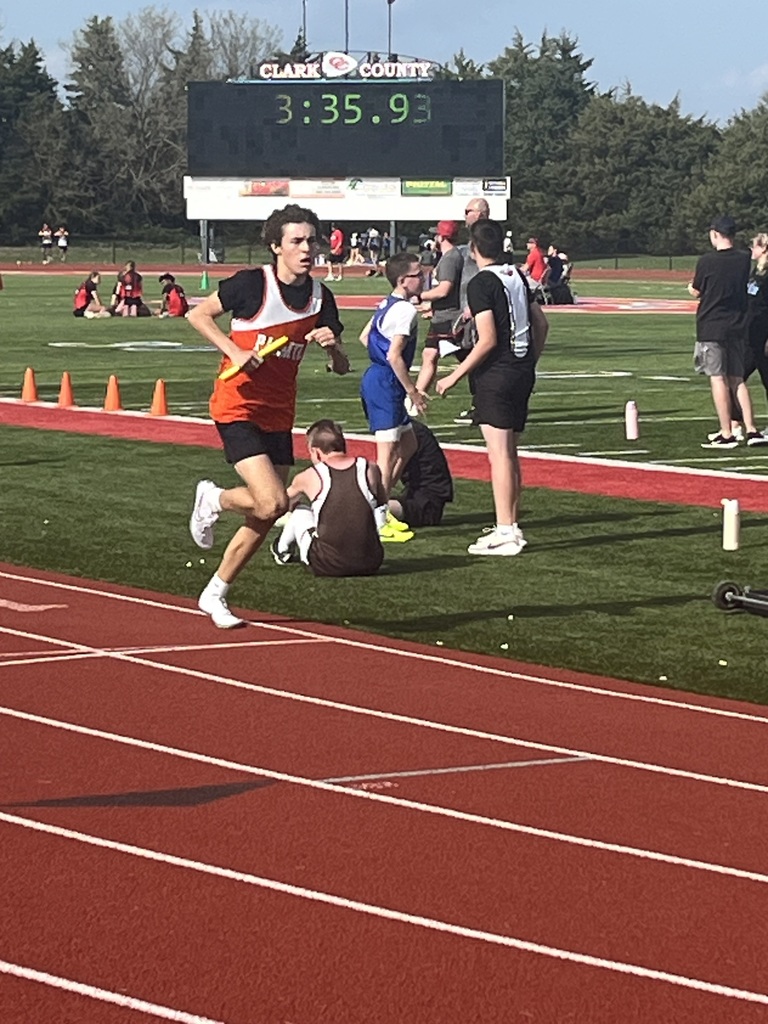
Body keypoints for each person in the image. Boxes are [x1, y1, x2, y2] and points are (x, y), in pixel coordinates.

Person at [187, 203, 350, 628]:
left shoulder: (321, 298)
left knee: (269, 512)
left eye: (311, 240)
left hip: (279, 413)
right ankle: (215, 498)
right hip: (236, 404)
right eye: (297, 241)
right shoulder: (250, 285)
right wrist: (235, 351)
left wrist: (332, 347)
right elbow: (197, 314)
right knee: (273, 500)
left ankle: (215, 592)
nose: (307, 249)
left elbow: (341, 367)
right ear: (276, 246)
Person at [436, 218, 549, 555]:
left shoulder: (482, 282)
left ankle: (506, 531)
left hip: (496, 375)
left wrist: (453, 376)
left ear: (473, 249)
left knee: (499, 456)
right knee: (510, 454)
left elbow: (486, 341)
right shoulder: (517, 276)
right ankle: (509, 525)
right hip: (520, 371)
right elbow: (541, 324)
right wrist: (528, 361)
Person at [359, 251, 429, 533]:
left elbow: (365, 337)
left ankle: (381, 502)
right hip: (386, 382)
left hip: (380, 378)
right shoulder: (405, 310)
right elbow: (395, 356)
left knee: (408, 444)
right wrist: (412, 390)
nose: (423, 278)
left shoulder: (388, 303)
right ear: (403, 280)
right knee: (386, 455)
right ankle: (377, 517)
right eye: (418, 274)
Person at [689, 215, 767, 448]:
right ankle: (751, 429)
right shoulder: (744, 259)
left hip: (712, 325)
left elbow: (697, 289)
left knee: (717, 378)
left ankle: (727, 432)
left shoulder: (707, 261)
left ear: (714, 234)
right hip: (737, 325)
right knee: (737, 379)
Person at [270, 419, 386, 576]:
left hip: (327, 564)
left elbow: (281, 504)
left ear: (316, 451)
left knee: (301, 512)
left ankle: (281, 549)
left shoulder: (309, 476)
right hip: (372, 562)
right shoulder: (370, 468)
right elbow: (381, 502)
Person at [414, 220, 464, 396]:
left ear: (441, 237)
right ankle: (417, 397)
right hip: (444, 315)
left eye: (436, 234)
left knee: (469, 360)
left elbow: (444, 290)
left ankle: (416, 397)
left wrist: (418, 296)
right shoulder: (450, 257)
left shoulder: (450, 258)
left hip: (449, 318)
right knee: (430, 355)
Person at [452, 197, 491, 424]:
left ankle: (482, 406)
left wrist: (475, 305)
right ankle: (480, 403)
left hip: (480, 310)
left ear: (481, 213)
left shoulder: (487, 238)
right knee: (468, 356)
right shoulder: (470, 242)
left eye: (469, 211)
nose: (465, 215)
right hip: (468, 309)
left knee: (480, 358)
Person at [388, 419, 454, 527]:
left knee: (368, 508)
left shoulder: (407, 433)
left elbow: (389, 475)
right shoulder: (409, 429)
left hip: (427, 505)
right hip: (422, 499)